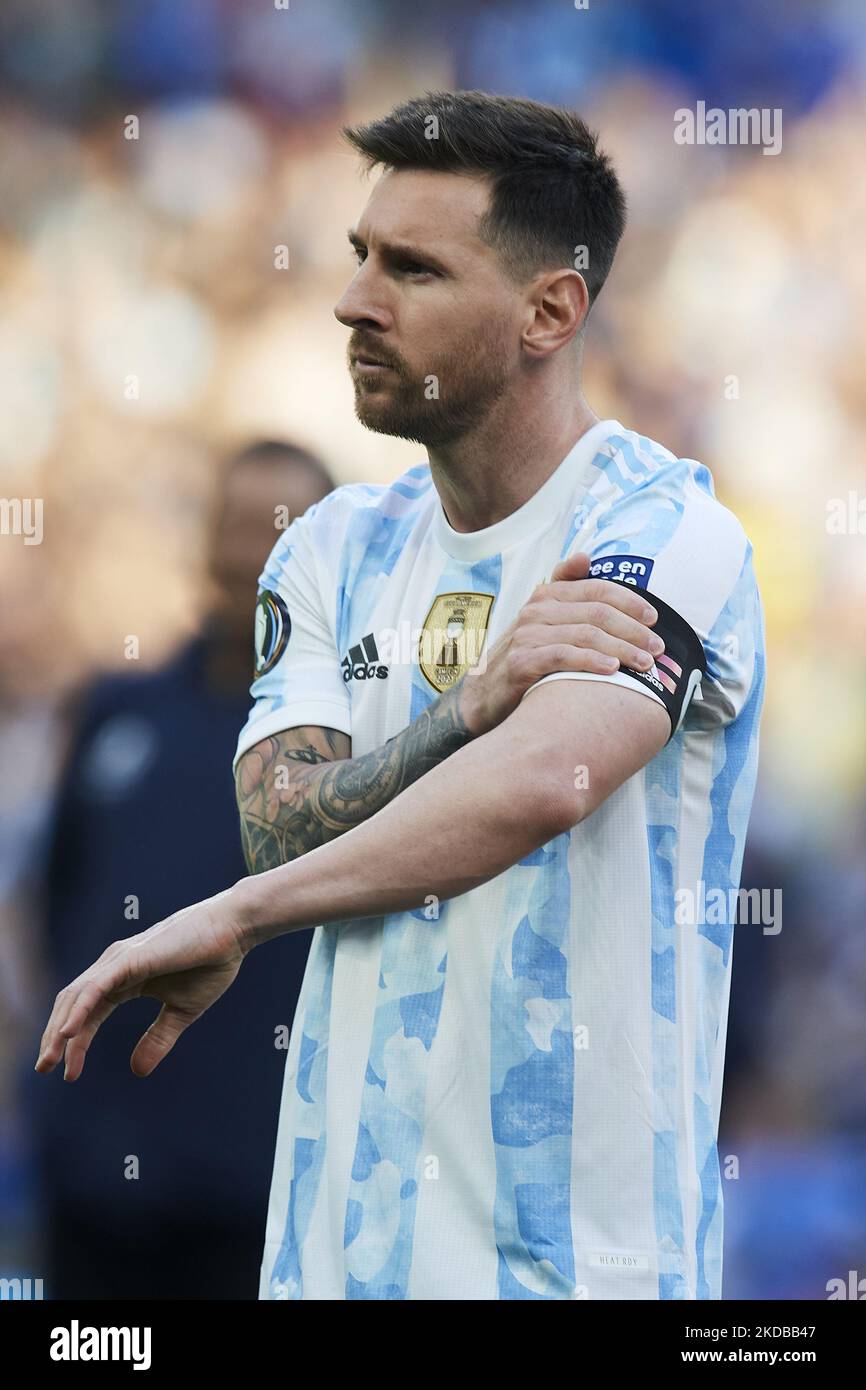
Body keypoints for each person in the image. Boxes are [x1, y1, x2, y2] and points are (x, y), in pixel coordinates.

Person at [36, 91, 765, 1301]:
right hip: (329, 1271)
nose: (354, 301)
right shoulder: (329, 546)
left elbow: (545, 777)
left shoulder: (661, 530)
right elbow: (276, 820)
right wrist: (469, 703)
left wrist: (238, 916)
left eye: (414, 269)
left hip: (574, 1273)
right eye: (359, 256)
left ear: (550, 310)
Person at [26, 441, 335, 1298]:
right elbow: (60, 903)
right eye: (234, 527)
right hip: (93, 1177)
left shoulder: (345, 744)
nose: (248, 556)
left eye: (277, 534)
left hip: (257, 1189)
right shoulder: (118, 711)